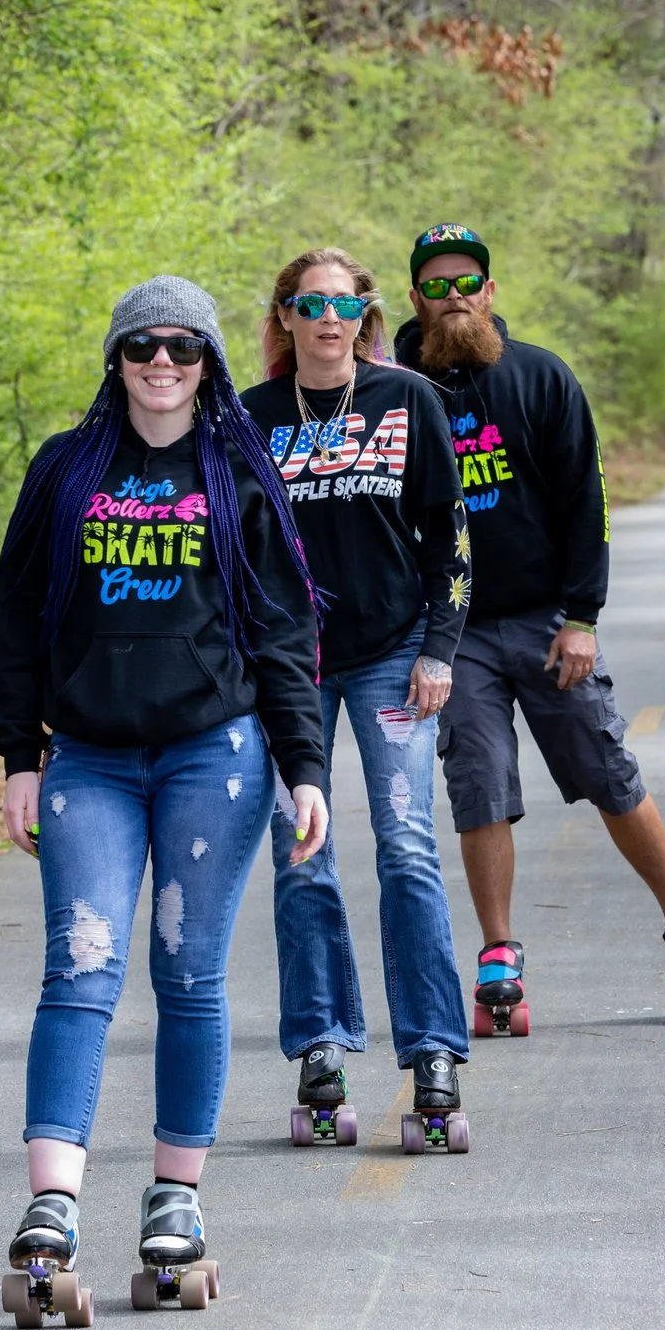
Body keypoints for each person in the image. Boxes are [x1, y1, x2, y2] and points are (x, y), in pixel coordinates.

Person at [0, 275, 329, 1325]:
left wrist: (302, 764)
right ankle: (52, 1206)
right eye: (143, 346)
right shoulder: (67, 467)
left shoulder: (237, 469)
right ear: (117, 359)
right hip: (87, 759)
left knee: (189, 978)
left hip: (209, 759)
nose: (162, 363)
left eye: (182, 346)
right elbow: (18, 613)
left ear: (211, 358)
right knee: (78, 971)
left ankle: (175, 1198)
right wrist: (18, 754)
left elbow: (281, 631)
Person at [392, 222, 665, 1027]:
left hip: (545, 619)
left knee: (607, 767)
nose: (453, 297)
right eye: (436, 284)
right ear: (415, 296)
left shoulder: (540, 378)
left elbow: (585, 506)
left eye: (468, 283)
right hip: (452, 632)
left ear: (490, 292)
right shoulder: (391, 390)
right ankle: (499, 957)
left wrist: (582, 616)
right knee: (478, 783)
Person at [239, 247, 473, 1145]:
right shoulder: (250, 419)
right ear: (287, 317)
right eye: (310, 304)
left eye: (343, 304)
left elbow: (450, 534)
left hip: (392, 654)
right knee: (304, 851)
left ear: (365, 315)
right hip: (288, 669)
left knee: (407, 845)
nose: (328, 319)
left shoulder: (407, 399)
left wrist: (440, 649)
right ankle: (321, 1045)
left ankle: (434, 1050)